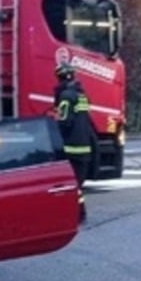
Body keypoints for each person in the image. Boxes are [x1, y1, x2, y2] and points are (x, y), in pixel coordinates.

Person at [52, 62, 95, 222]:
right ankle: (79, 212)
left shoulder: (66, 97)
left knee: (71, 185)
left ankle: (77, 214)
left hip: (71, 148)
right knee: (76, 185)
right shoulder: (81, 95)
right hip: (84, 147)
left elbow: (64, 122)